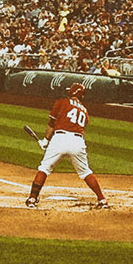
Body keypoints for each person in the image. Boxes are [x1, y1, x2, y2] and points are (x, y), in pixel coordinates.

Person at [25, 82, 109, 210]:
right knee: (85, 171)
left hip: (59, 138)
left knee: (44, 168)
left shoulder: (62, 102)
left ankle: (32, 198)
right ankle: (102, 199)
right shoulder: (85, 111)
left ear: (73, 93)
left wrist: (46, 140)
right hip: (78, 141)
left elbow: (52, 124)